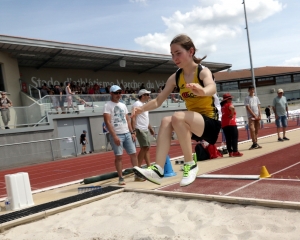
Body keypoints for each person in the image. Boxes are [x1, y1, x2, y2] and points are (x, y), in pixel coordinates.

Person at [131, 34, 221, 187]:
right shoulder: (175, 77)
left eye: (178, 53)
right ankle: (158, 169)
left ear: (191, 51)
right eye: (172, 54)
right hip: (193, 122)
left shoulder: (202, 72)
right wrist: (141, 109)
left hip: (211, 122)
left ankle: (190, 164)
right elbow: (158, 101)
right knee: (166, 121)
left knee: (177, 116)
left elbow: (212, 87)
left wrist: (203, 90)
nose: (175, 58)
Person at [103, 85, 138, 185]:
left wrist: (132, 132)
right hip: (117, 134)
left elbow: (127, 120)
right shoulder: (107, 105)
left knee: (133, 154)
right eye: (116, 93)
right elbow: (107, 122)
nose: (118, 95)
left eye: (119, 92)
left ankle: (137, 174)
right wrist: (114, 136)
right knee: (119, 157)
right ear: (111, 94)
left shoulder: (123, 105)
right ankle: (121, 177)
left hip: (127, 133)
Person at [131, 89, 155, 169]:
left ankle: (149, 166)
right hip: (140, 129)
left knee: (147, 148)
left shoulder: (144, 104)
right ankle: (138, 168)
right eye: (147, 95)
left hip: (145, 129)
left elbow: (145, 118)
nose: (149, 96)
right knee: (144, 147)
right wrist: (133, 130)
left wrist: (150, 129)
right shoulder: (137, 104)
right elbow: (133, 118)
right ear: (143, 95)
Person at [244, 85, 262, 150]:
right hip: (251, 116)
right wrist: (253, 114)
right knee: (252, 129)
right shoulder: (247, 98)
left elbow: (259, 106)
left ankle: (255, 143)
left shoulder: (256, 98)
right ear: (248, 90)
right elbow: (247, 107)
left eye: (253, 89)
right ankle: (254, 142)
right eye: (251, 89)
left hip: (257, 116)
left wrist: (260, 114)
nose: (252, 90)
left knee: (257, 129)